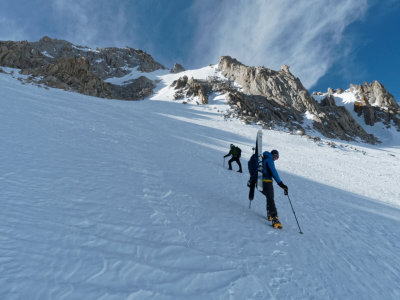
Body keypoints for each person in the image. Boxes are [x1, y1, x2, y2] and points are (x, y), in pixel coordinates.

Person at [262, 149, 288, 229]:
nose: (275, 159)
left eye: (277, 158)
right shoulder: (269, 159)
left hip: (260, 181)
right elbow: (274, 172)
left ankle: (269, 214)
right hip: (267, 181)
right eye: (275, 156)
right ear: (272, 154)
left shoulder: (265, 158)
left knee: (269, 197)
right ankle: (275, 219)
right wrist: (281, 184)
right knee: (271, 199)